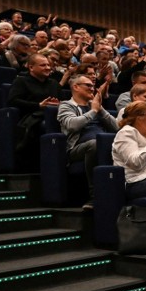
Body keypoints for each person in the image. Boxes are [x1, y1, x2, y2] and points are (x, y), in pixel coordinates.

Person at [57, 74, 118, 209]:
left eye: (93, 85)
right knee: (95, 144)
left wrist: (100, 109)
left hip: (103, 142)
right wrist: (94, 111)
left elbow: (117, 127)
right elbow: (72, 125)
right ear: (76, 87)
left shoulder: (95, 105)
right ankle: (94, 196)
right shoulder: (66, 105)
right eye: (88, 85)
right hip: (77, 148)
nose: (92, 88)